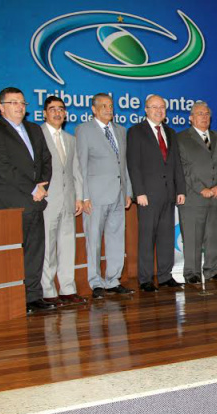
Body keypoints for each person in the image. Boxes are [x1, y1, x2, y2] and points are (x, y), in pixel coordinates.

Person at [0, 87, 53, 313]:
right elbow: (3, 168)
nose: (19, 107)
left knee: (35, 250)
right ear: (1, 107)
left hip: (35, 201)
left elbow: (46, 160)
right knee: (11, 255)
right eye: (13, 102)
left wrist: (41, 186)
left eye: (22, 103)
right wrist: (31, 188)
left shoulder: (34, 129)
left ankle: (33, 297)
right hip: (9, 203)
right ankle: (13, 300)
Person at [76, 93, 133, 299]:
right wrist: (84, 196)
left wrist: (128, 191)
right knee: (94, 241)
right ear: (93, 109)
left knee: (116, 238)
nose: (109, 109)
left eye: (110, 106)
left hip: (119, 194)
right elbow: (81, 165)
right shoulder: (84, 130)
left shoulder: (120, 130)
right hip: (95, 196)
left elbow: (123, 164)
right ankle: (95, 282)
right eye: (103, 106)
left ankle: (113, 280)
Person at [127, 95, 186, 292]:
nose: (159, 110)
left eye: (162, 107)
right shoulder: (136, 132)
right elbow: (133, 165)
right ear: (146, 109)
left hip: (169, 194)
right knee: (146, 238)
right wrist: (139, 192)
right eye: (154, 107)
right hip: (148, 195)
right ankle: (145, 279)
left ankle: (164, 275)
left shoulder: (170, 132)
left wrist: (181, 189)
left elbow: (177, 163)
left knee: (166, 237)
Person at [177, 101, 217, 283]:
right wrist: (201, 188)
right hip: (194, 197)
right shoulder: (181, 138)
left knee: (214, 237)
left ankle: (212, 270)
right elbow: (183, 168)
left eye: (207, 114)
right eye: (200, 114)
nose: (204, 117)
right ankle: (191, 273)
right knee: (192, 237)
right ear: (191, 118)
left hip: (216, 197)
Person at [40, 96, 86, 305]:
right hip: (47, 202)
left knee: (68, 247)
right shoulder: (37, 136)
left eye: (61, 109)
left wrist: (79, 197)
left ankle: (68, 289)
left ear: (65, 113)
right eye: (52, 109)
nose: (57, 113)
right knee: (48, 248)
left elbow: (76, 171)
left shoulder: (70, 139)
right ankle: (48, 291)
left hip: (68, 202)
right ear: (45, 113)